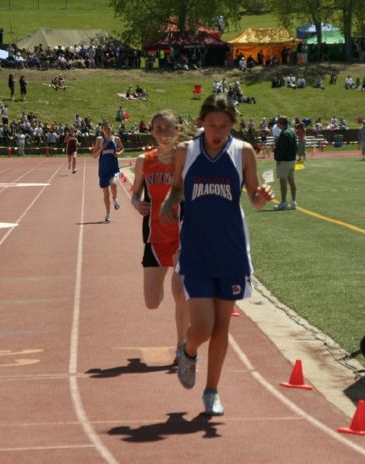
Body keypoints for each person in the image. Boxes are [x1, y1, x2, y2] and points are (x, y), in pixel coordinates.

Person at [159, 94, 274, 416]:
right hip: (196, 249)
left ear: (233, 125)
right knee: (203, 327)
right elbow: (178, 187)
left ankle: (212, 391)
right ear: (201, 122)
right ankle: (189, 349)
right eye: (211, 124)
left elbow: (253, 199)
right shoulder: (187, 151)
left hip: (231, 250)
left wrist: (263, 197)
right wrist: (171, 202)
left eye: (224, 125)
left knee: (222, 326)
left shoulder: (243, 152)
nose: (217, 130)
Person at [130, 110, 189, 363]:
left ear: (178, 129)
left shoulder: (186, 159)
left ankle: (182, 347)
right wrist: (135, 202)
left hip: (183, 236)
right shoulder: (145, 160)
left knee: (180, 292)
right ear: (152, 131)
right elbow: (135, 193)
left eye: (169, 127)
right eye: (159, 128)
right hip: (154, 238)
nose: (164, 133)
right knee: (152, 302)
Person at [90, 121, 124, 223]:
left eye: (109, 129)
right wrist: (101, 148)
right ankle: (108, 213)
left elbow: (122, 148)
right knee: (106, 194)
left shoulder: (116, 139)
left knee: (113, 184)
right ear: (102, 130)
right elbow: (94, 156)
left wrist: (119, 153)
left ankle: (115, 199)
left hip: (113, 168)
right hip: (103, 169)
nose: (107, 131)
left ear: (111, 129)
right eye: (105, 129)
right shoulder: (99, 140)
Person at [273, 116, 298, 210]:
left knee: (283, 182)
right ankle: (293, 201)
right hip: (291, 159)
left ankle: (283, 202)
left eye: (278, 123)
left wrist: (278, 159)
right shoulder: (292, 131)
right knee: (292, 181)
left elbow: (281, 149)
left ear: (281, 123)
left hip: (284, 160)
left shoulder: (284, 133)